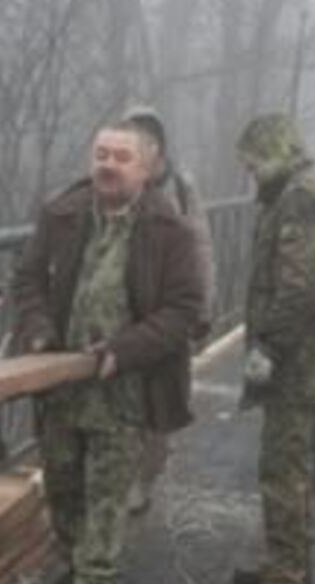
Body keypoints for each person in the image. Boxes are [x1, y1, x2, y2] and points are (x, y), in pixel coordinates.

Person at [12, 117, 209, 584]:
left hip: (122, 388)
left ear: (147, 169)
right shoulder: (63, 215)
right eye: (101, 153)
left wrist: (124, 351)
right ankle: (74, 567)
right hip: (60, 383)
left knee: (106, 492)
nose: (107, 165)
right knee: (63, 483)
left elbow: (183, 310)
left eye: (122, 157)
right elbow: (27, 279)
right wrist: (37, 332)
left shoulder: (169, 232)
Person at [231, 113, 315, 584]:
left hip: (296, 362)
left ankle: (286, 581)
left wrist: (269, 347)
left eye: (253, 161)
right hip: (310, 356)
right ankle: (291, 562)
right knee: (292, 465)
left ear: (273, 152)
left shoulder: (298, 197)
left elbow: (296, 285)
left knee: (283, 469)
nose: (251, 172)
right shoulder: (306, 191)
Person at [119, 105, 214, 517]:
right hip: (123, 313)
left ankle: (146, 476)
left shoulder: (181, 189)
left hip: (169, 313)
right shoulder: (114, 185)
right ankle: (122, 479)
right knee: (123, 401)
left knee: (160, 404)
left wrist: (203, 308)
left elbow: (202, 249)